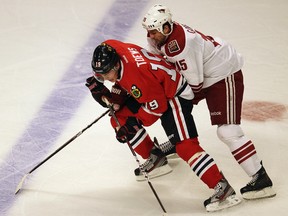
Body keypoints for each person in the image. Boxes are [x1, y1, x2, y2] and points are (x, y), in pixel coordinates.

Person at [85, 40, 241, 211]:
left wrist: (133, 125)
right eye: (99, 74)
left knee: (185, 146)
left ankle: (222, 187)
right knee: (119, 117)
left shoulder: (136, 75)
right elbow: (121, 95)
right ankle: (156, 158)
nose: (104, 78)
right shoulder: (111, 47)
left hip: (173, 95)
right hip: (154, 88)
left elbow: (157, 107)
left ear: (115, 65)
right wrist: (104, 96)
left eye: (105, 74)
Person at [141, 4, 276, 200]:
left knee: (227, 131)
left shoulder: (182, 44)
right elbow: (155, 63)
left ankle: (261, 178)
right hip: (205, 73)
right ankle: (177, 140)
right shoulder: (160, 37)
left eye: (154, 31)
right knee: (172, 104)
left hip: (223, 73)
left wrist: (171, 98)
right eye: (149, 31)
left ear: (166, 28)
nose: (150, 36)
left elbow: (194, 85)